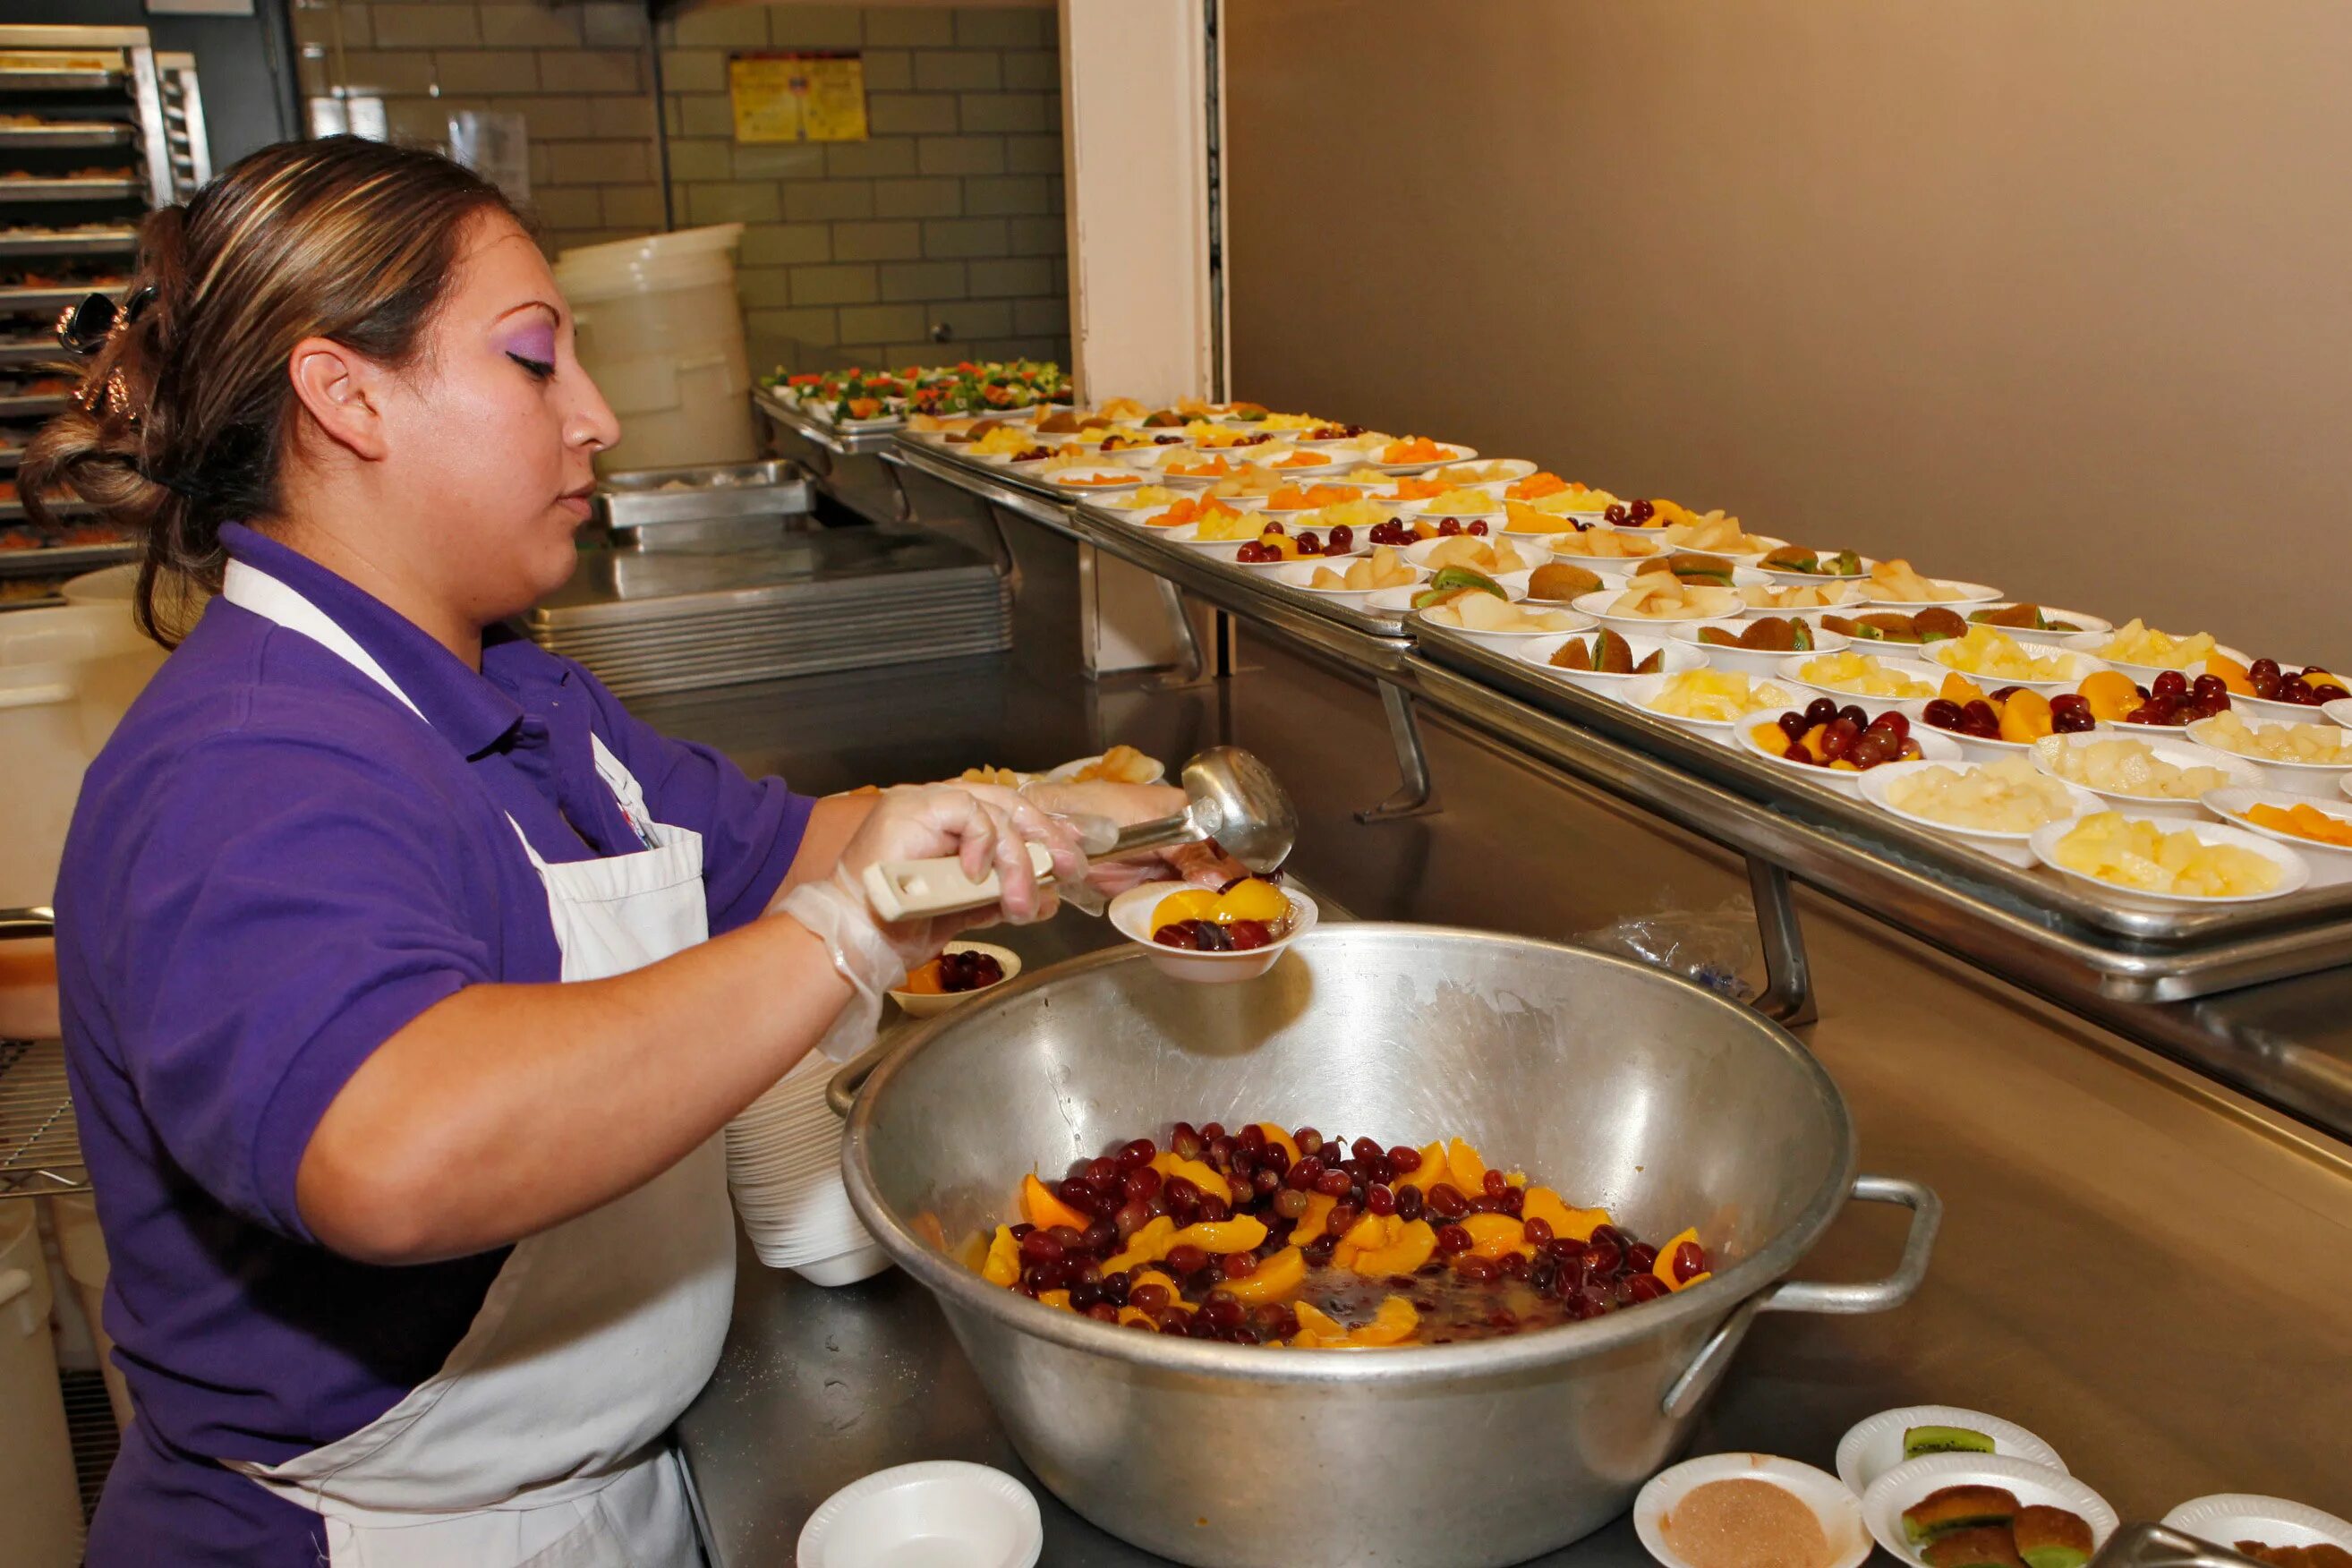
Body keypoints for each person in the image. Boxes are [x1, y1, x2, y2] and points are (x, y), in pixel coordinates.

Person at [28, 136, 1191, 1567]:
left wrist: (1101, 827)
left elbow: (780, 850)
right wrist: (844, 934)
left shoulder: (516, 694)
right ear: (345, 396)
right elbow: (396, 1147)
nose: (599, 417)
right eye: (532, 360)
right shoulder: (250, 767)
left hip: (594, 1495)